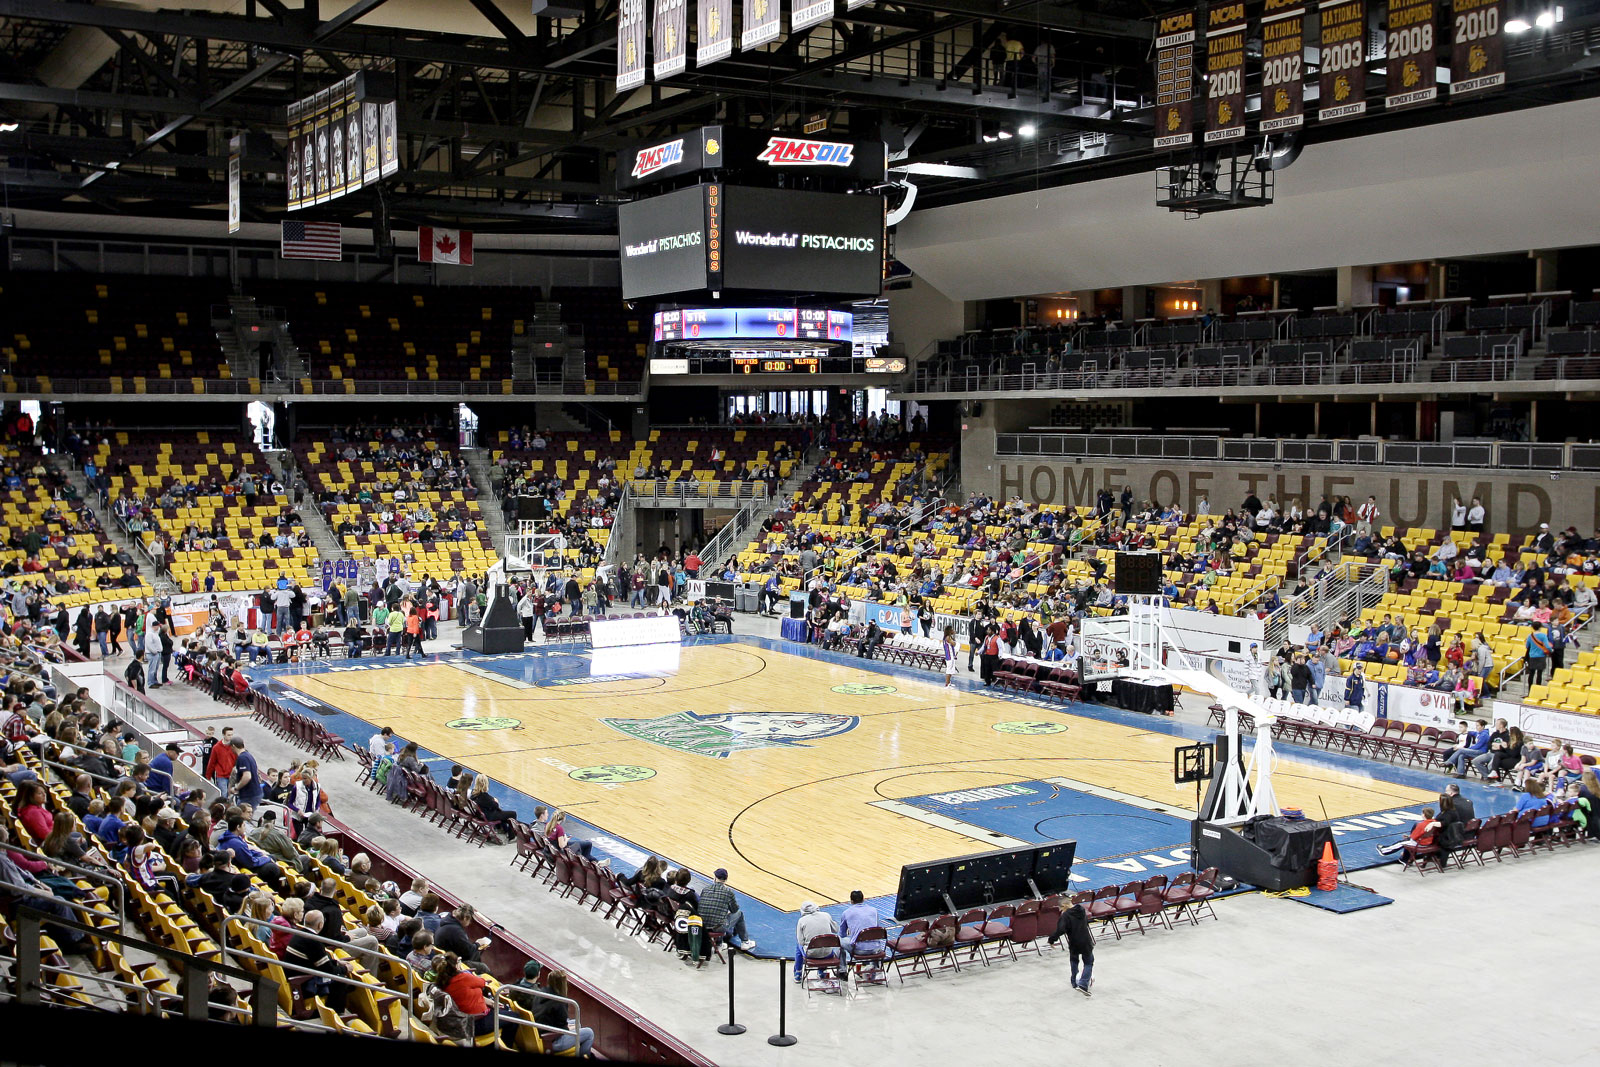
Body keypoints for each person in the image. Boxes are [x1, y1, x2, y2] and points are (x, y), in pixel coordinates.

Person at [697, 868, 756, 954]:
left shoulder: (705, 889)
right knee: (739, 914)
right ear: (726, 879)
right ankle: (745, 942)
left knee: (718, 915)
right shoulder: (729, 892)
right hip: (717, 927)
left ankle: (719, 944)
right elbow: (735, 910)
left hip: (702, 924)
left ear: (715, 877)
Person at [1048, 899, 1096, 995]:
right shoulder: (1082, 910)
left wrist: (1052, 940)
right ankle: (1083, 983)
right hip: (1086, 940)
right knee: (1088, 962)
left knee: (1074, 961)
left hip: (1074, 942)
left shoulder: (1065, 916)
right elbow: (1086, 922)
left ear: (1063, 906)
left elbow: (1060, 929)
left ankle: (1074, 982)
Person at [837, 889, 886, 974]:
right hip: (876, 948)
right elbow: (877, 929)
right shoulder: (874, 910)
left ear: (851, 901)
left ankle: (842, 971)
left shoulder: (846, 913)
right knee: (869, 939)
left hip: (859, 950)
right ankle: (874, 967)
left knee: (838, 941)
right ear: (863, 899)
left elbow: (842, 934)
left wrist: (851, 936)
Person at [793, 901, 839, 982]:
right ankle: (822, 972)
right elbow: (836, 930)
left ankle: (798, 973)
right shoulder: (826, 915)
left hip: (811, 954)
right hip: (828, 953)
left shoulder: (801, 921)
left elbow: (801, 942)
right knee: (823, 944)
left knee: (798, 946)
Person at [470, 775, 517, 840]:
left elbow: (489, 799)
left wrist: (492, 799)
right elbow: (495, 805)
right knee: (512, 814)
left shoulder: (474, 793)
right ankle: (512, 836)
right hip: (488, 816)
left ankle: (502, 829)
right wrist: (496, 801)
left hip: (480, 814)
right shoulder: (484, 796)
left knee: (502, 813)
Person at [1524, 622, 1552, 688]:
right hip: (1541, 656)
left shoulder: (1530, 636)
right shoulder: (1543, 636)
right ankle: (1537, 688)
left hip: (1532, 656)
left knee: (1531, 674)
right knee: (1539, 674)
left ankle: (1530, 688)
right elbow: (1547, 646)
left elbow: (1527, 645)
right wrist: (1551, 650)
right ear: (1540, 628)